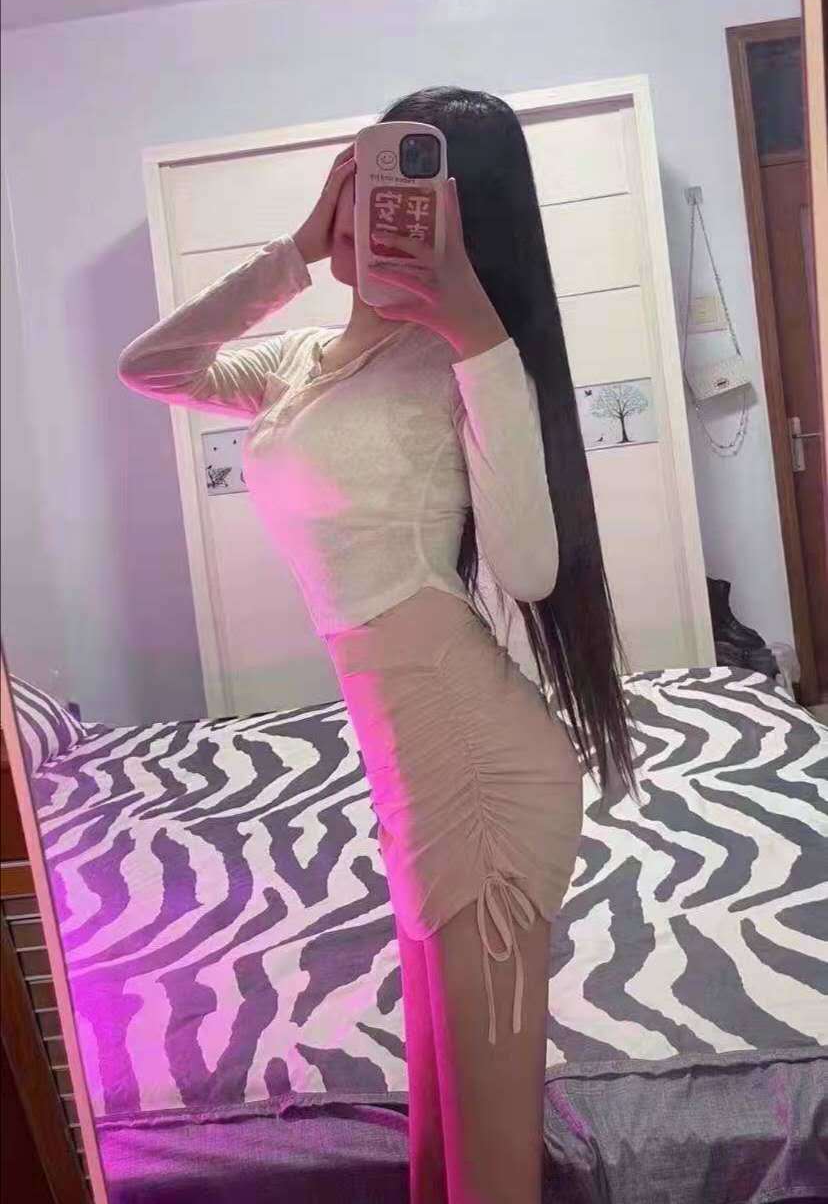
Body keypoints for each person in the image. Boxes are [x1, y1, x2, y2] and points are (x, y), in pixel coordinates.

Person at [118, 86, 637, 1204]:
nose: (372, 211)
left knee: (489, 1164)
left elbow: (530, 568)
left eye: (407, 189)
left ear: (459, 217)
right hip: (409, 776)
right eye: (362, 179)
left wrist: (474, 326)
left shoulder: (458, 361)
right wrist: (296, 250)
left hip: (481, 779)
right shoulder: (301, 360)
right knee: (440, 1142)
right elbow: (152, 367)